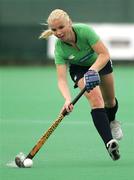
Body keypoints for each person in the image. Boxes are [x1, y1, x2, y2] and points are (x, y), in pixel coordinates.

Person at [39, 9, 123, 161]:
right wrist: (67, 99)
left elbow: (105, 54)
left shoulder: (85, 31)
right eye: (54, 29)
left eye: (61, 27)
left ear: (69, 22)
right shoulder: (59, 49)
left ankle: (112, 121)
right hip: (79, 69)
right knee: (96, 100)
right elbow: (61, 80)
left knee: (110, 101)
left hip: (100, 62)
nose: (58, 32)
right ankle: (109, 143)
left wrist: (93, 71)